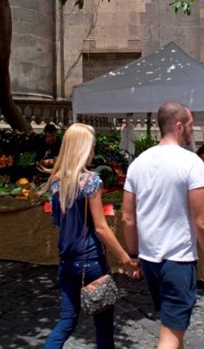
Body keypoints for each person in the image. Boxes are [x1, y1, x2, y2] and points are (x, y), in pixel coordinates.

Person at [123, 102, 204, 349]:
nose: (192, 129)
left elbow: (127, 218)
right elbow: (203, 222)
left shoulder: (137, 163)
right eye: (190, 124)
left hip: (150, 257)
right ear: (178, 126)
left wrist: (133, 255)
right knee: (170, 334)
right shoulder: (191, 162)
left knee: (172, 327)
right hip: (178, 258)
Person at [42, 123, 140, 349]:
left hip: (66, 260)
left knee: (66, 322)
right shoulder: (91, 181)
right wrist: (126, 259)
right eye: (92, 147)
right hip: (91, 261)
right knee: (104, 327)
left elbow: (56, 221)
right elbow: (101, 228)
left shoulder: (56, 181)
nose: (94, 152)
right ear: (83, 149)